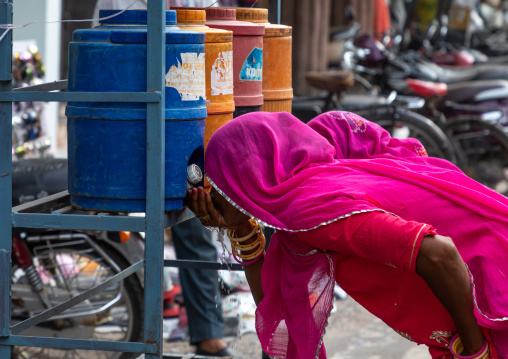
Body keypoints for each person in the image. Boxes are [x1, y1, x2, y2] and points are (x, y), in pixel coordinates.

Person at [187, 111, 508, 359]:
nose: (212, 199)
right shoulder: (313, 183)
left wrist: (476, 352)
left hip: (492, 291)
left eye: (219, 188)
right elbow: (279, 310)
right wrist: (241, 228)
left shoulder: (311, 209)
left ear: (248, 179)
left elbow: (441, 254)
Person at [92, 0, 236, 356]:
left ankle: (206, 334)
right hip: (126, 94)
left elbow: (209, 27)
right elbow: (112, 34)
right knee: (121, 223)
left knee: (193, 219)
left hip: (181, 106)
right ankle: (140, 322)